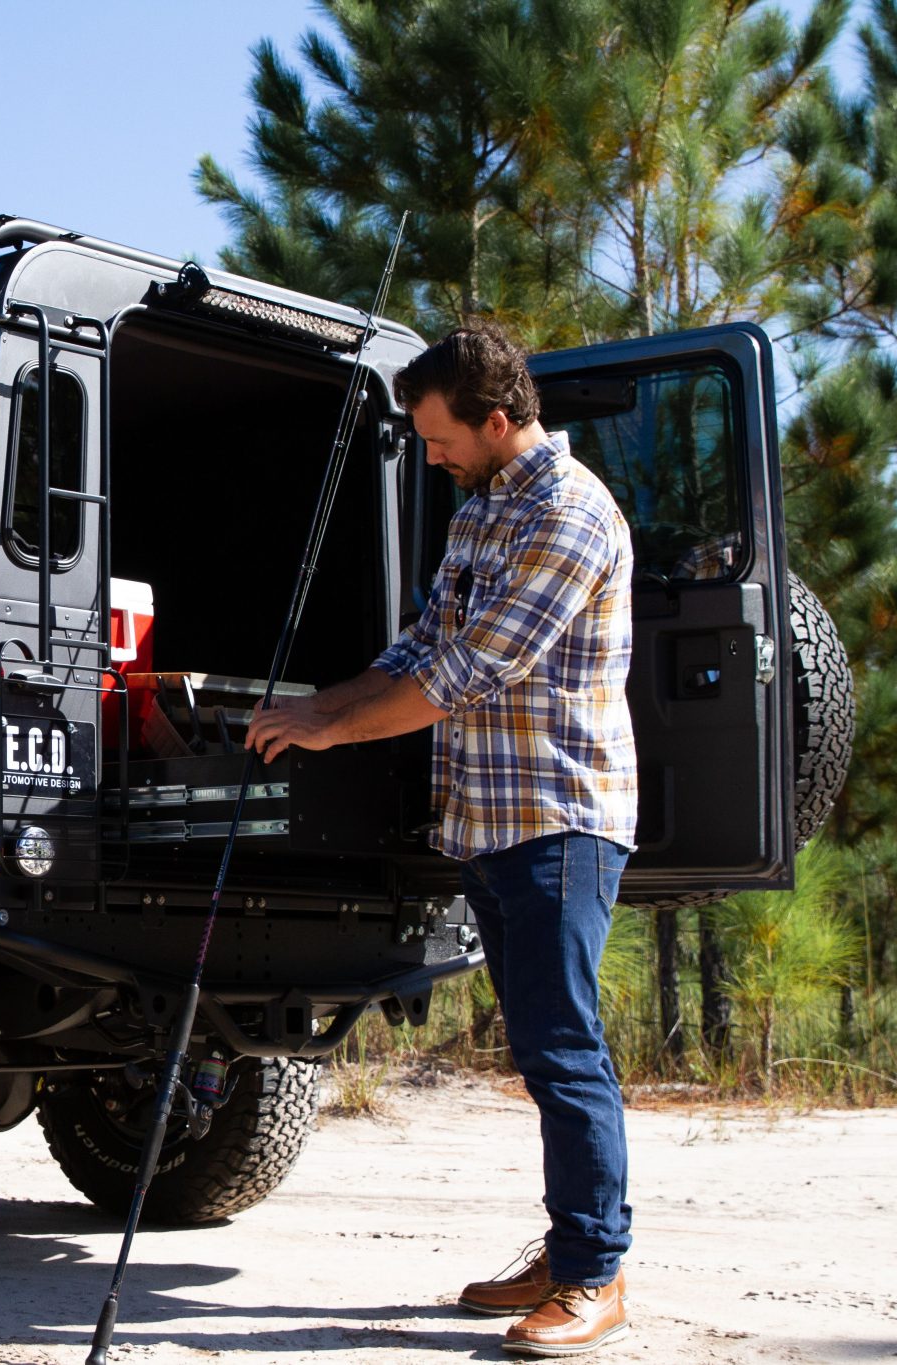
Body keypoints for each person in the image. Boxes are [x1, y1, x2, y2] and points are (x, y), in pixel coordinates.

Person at [245, 322, 637, 1357]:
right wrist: (310, 703)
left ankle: (595, 1274)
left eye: (435, 438)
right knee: (539, 1047)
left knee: (564, 1050)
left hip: (558, 820)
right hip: (487, 825)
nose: (428, 455)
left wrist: (328, 728)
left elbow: (471, 674)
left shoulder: (568, 513)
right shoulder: (479, 514)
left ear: (495, 421)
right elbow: (417, 646)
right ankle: (565, 1251)